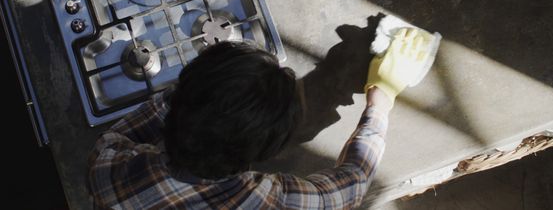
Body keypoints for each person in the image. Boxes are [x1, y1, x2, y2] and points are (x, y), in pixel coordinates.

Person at [88, 28, 430, 209]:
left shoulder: (109, 172)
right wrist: (380, 99)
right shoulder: (271, 202)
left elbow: (133, 128)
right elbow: (352, 183)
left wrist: (214, 92)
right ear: (267, 155)